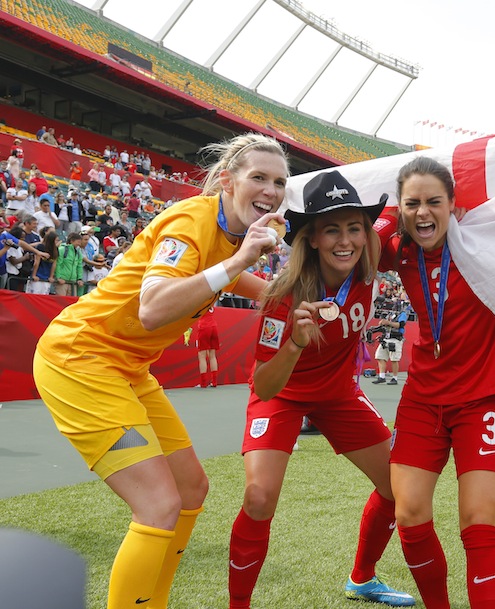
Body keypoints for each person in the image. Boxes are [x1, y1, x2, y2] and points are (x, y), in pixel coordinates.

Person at [32, 132, 286, 609]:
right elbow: (152, 309)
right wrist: (239, 260)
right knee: (158, 504)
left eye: (278, 181)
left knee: (191, 489)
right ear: (228, 182)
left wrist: (304, 290)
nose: (271, 190)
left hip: (128, 369)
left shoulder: (230, 233)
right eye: (259, 178)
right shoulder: (191, 220)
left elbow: (256, 285)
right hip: (79, 361)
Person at [371, 156, 495, 609]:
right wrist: (383, 217)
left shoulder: (485, 244)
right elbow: (355, 244)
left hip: (482, 400)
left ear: (454, 205)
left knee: (479, 526)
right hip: (422, 398)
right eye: (412, 203)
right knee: (410, 514)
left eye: (434, 202)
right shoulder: (400, 250)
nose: (423, 213)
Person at [229, 170, 414, 609]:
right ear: (311, 238)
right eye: (332, 230)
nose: (346, 240)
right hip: (284, 395)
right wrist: (294, 342)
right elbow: (265, 386)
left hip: (338, 393)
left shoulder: (368, 252)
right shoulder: (283, 297)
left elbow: (399, 206)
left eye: (354, 227)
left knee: (398, 486)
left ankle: (363, 579)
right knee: (258, 498)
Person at [371, 302, 408, 386]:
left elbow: (400, 325)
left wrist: (388, 323)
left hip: (396, 339)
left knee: (394, 359)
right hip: (386, 338)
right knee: (380, 356)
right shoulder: (390, 314)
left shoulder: (402, 314)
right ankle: (382, 376)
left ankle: (395, 378)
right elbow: (386, 326)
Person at [193, 307, 220, 388]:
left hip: (204, 327)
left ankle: (203, 383)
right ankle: (214, 382)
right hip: (213, 326)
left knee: (202, 355)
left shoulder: (201, 301)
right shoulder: (211, 301)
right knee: (212, 355)